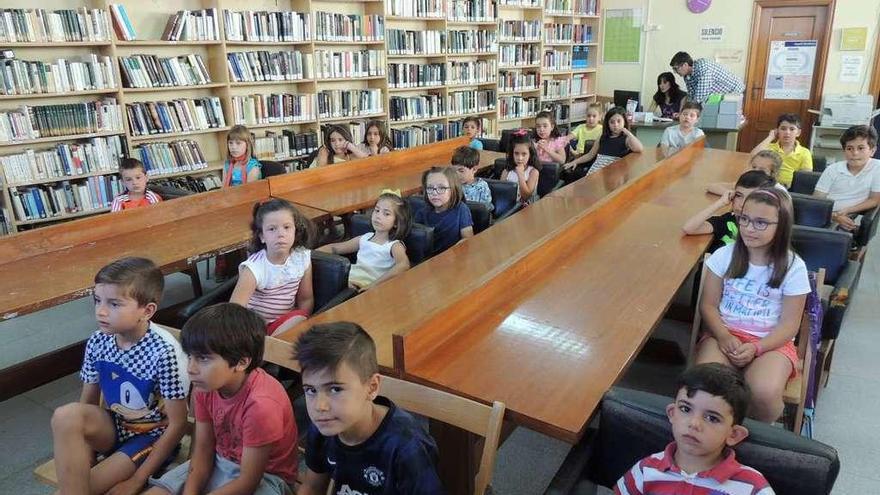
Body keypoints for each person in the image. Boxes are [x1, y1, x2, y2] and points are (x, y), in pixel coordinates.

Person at [51, 257, 189, 495]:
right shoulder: (98, 340)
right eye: (97, 300)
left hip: (150, 437)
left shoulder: (165, 353)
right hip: (114, 426)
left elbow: (177, 425)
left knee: (79, 489)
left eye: (114, 304)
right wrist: (87, 453)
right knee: (65, 416)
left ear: (147, 311)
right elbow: (87, 404)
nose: (101, 311)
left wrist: (136, 480)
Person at [145, 303, 298, 495]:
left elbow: (248, 482)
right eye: (189, 356)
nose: (190, 368)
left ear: (242, 362)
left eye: (203, 358)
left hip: (267, 478)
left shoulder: (261, 405)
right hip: (219, 459)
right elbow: (202, 451)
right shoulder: (205, 385)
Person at [695, 188, 811, 423]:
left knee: (763, 392)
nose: (748, 228)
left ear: (781, 226)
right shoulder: (724, 255)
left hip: (771, 341)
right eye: (744, 219)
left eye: (761, 223)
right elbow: (708, 305)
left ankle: (750, 440)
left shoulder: (794, 266)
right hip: (724, 335)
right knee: (706, 384)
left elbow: (790, 325)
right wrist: (724, 336)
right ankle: (714, 436)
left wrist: (758, 347)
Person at [294, 322, 444, 495]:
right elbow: (312, 487)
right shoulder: (323, 426)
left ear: (372, 387)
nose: (320, 406)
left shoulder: (406, 447)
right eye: (311, 390)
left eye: (335, 389)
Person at [615, 363, 774, 495]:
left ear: (733, 434)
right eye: (685, 409)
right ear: (672, 414)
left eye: (712, 418)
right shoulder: (646, 470)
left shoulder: (752, 486)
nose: (694, 423)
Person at [230, 198, 316, 336]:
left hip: (287, 323)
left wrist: (300, 324)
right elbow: (234, 311)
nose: (280, 234)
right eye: (272, 229)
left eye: (287, 227)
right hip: (255, 329)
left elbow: (306, 299)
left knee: (300, 318)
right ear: (262, 236)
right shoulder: (254, 268)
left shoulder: (302, 258)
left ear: (295, 230)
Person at [318, 191, 412, 290]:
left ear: (396, 222)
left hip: (365, 285)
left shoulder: (394, 245)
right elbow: (335, 248)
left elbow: (404, 265)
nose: (378, 216)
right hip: (349, 278)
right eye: (377, 210)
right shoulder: (364, 238)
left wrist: (374, 285)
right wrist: (310, 254)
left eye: (386, 214)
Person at [683, 170, 776, 252]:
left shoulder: (766, 229)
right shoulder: (727, 221)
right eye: (739, 195)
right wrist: (721, 203)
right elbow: (689, 228)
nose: (742, 203)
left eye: (751, 198)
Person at [813, 124, 880, 232]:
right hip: (821, 215)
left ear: (872, 150)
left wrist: (848, 210)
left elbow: (875, 199)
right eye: (849, 148)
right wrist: (834, 216)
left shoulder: (877, 168)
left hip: (847, 217)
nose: (855, 153)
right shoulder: (832, 169)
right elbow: (816, 201)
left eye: (861, 148)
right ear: (844, 151)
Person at [562, 106, 644, 177]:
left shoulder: (626, 139)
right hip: (595, 172)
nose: (615, 125)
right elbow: (590, 155)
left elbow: (639, 148)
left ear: (624, 122)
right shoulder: (602, 137)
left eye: (619, 121)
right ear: (607, 124)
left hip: (612, 174)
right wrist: (575, 162)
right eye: (612, 122)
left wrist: (628, 133)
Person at [415, 166, 474, 254]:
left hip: (453, 258)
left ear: (453, 189)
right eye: (430, 188)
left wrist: (451, 253)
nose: (434, 193)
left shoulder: (461, 210)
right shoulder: (421, 213)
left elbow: (468, 239)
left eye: (441, 188)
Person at [749, 113, 813, 188]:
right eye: (783, 128)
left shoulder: (805, 152)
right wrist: (770, 137)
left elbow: (806, 178)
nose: (787, 132)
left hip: (790, 189)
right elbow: (752, 155)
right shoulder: (769, 147)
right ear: (777, 131)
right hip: (767, 184)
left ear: (798, 133)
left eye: (792, 129)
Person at [670, 51, 745, 104]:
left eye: (676, 68)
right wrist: (683, 112)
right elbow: (691, 96)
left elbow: (700, 98)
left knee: (725, 120)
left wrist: (686, 113)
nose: (675, 72)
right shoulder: (687, 76)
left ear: (685, 65)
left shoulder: (703, 67)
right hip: (719, 96)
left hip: (734, 92)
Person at [707, 151, 788, 197]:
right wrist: (734, 194)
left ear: (773, 173)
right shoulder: (748, 182)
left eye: (762, 170)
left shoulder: (778, 191)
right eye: (754, 167)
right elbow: (712, 187)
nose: (755, 171)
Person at [502, 132, 541, 205]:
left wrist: (521, 175)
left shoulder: (533, 172)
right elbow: (501, 193)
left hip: (528, 208)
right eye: (516, 153)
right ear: (512, 153)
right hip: (509, 206)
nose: (520, 158)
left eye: (524, 154)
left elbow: (526, 196)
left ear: (530, 154)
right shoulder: (506, 172)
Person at [451, 146, 493, 211]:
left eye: (461, 171)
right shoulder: (453, 185)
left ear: (474, 169)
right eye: (454, 171)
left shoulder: (482, 187)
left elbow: (486, 209)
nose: (456, 174)